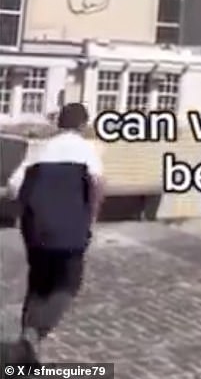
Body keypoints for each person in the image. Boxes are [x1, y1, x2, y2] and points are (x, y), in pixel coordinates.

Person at [7, 102, 105, 364]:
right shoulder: (87, 149)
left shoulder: (40, 149)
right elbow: (96, 185)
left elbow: (14, 186)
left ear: (59, 123)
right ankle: (34, 332)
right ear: (83, 125)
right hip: (70, 227)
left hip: (35, 227)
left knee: (38, 281)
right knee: (67, 283)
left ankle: (27, 343)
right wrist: (90, 219)